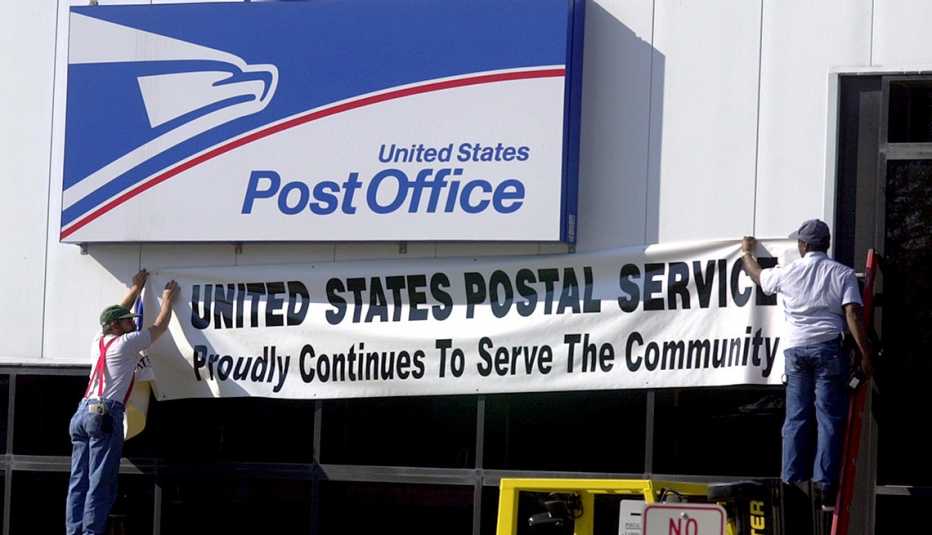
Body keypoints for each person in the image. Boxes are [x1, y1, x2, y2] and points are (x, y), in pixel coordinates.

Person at [740, 219, 873, 511]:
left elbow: (757, 276)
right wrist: (865, 354)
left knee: (796, 419)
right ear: (825, 244)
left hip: (796, 351)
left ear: (803, 245)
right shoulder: (842, 273)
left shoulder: (788, 273)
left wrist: (746, 252)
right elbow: (852, 313)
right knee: (828, 419)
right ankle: (825, 488)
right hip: (828, 350)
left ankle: (790, 482)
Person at [66, 269, 178, 535]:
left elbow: (116, 312)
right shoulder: (127, 343)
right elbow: (160, 326)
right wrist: (167, 300)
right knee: (100, 481)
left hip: (82, 412)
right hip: (105, 412)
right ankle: (91, 532)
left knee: (78, 480)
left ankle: (74, 531)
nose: (132, 323)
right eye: (127, 322)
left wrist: (135, 288)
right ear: (116, 327)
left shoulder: (99, 340)